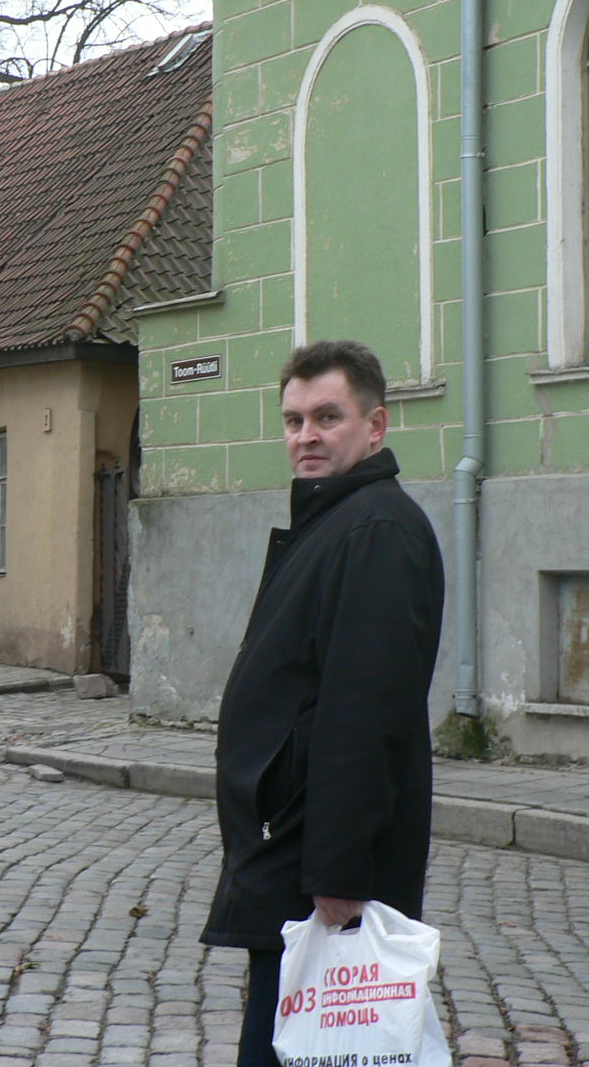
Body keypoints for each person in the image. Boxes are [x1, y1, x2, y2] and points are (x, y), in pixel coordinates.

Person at [201, 339, 445, 1067]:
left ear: (375, 426)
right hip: (291, 853)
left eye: (327, 417)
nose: (306, 436)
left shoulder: (375, 530)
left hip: (317, 873)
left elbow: (364, 715)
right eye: (294, 420)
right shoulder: (335, 520)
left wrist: (338, 876)